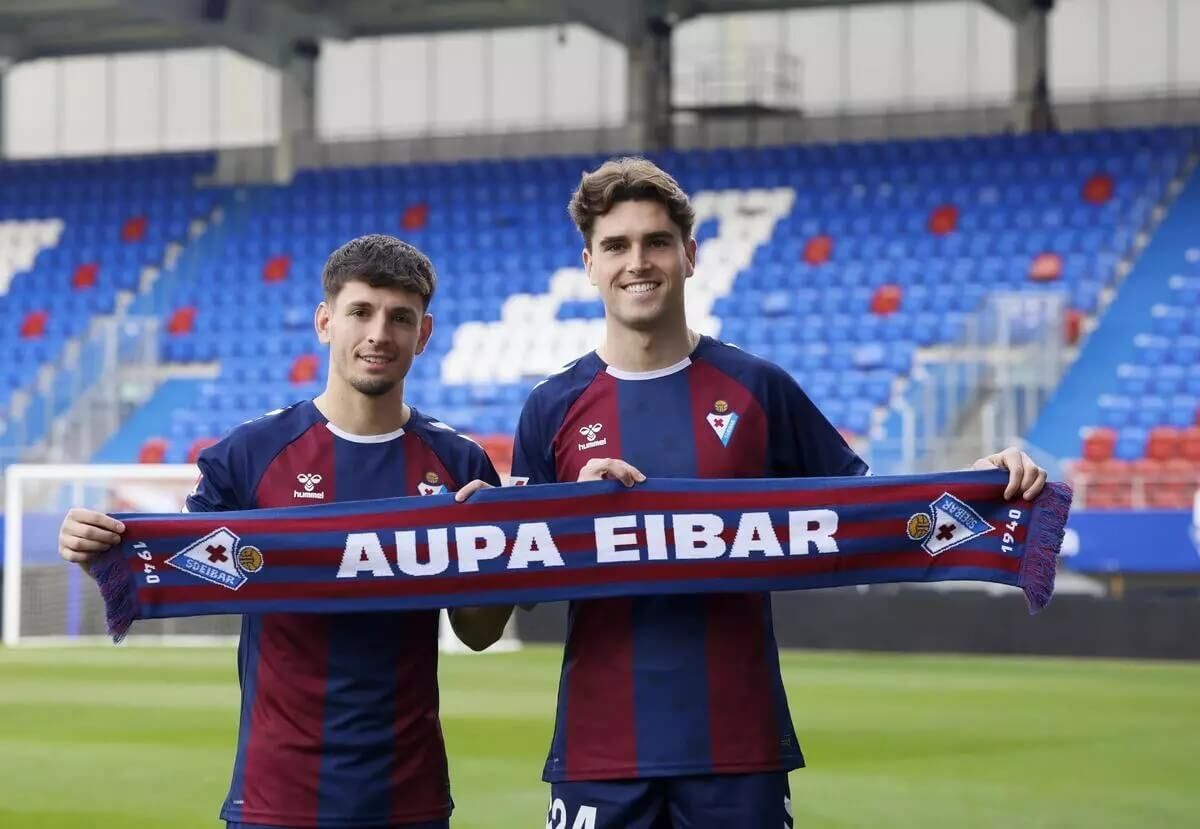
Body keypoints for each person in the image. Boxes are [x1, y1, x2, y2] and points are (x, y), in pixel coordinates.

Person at [511, 158, 1048, 829]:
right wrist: (566, 513)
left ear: (690, 255)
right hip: (600, 751)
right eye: (616, 245)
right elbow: (516, 578)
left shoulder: (757, 388)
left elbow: (873, 514)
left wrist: (983, 483)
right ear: (589, 263)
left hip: (740, 747)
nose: (637, 261)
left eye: (656, 242)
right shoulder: (551, 408)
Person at [58, 234, 513, 829]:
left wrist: (496, 554)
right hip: (276, 794)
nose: (379, 333)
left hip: (409, 792)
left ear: (423, 335)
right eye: (360, 312)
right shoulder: (249, 456)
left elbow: (477, 634)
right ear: (325, 322)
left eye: (401, 318)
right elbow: (181, 563)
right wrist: (99, 542)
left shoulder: (459, 463)